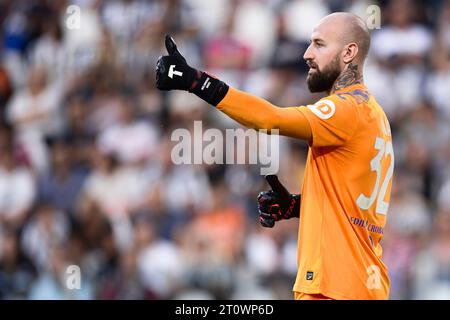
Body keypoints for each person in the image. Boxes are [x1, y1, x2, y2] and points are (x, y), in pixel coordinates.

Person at [155, 12, 394, 300]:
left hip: (334, 285)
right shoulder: (374, 115)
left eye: (319, 44)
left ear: (349, 52)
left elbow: (270, 120)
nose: (307, 54)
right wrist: (296, 207)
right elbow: (353, 204)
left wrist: (196, 81)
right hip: (361, 283)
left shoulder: (345, 109)